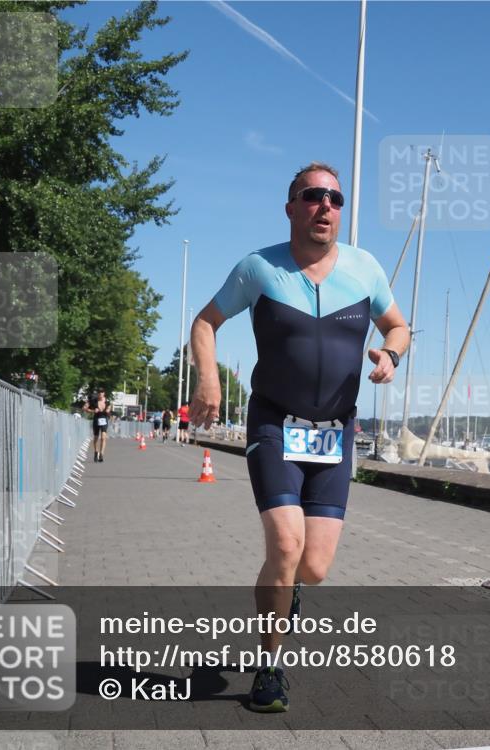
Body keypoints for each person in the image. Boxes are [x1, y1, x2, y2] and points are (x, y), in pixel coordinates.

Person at [188, 162, 409, 712]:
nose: (326, 207)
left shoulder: (364, 268)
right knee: (285, 545)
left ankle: (286, 587)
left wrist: (391, 355)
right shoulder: (260, 268)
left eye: (335, 199)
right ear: (291, 207)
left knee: (313, 566)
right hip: (274, 422)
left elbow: (399, 326)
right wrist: (208, 377)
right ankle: (269, 666)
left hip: (335, 433)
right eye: (313, 197)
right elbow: (204, 322)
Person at [86, 390, 112, 462]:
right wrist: (93, 411)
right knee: (96, 438)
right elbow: (85, 409)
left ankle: (101, 454)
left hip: (104, 420)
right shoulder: (94, 401)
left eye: (102, 393)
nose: (100, 395)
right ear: (98, 394)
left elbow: (109, 408)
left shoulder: (107, 402)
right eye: (99, 393)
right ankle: (96, 452)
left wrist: (108, 410)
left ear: (104, 394)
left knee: (103, 438)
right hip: (96, 420)